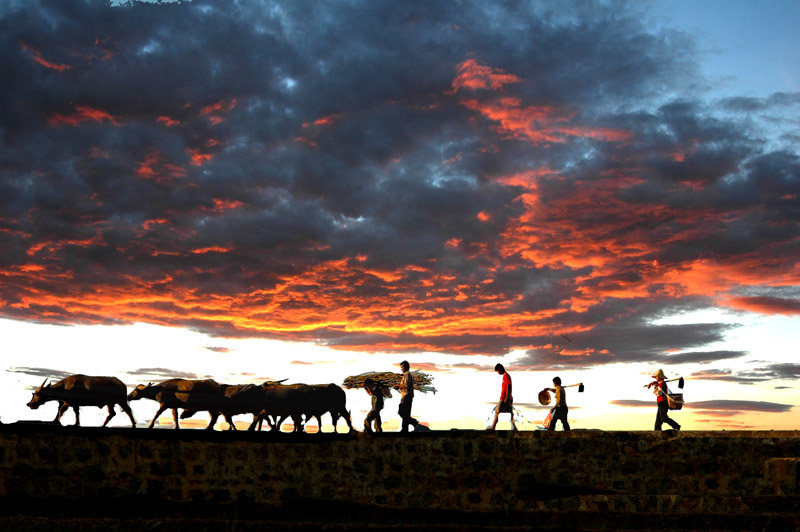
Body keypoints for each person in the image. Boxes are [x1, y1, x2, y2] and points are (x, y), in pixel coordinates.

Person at [488, 364, 518, 432]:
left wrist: (506, 398)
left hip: (504, 397)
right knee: (510, 412)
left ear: (500, 369)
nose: (498, 373)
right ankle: (515, 428)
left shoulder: (506, 375)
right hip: (507, 397)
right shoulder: (506, 375)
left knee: (498, 411)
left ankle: (492, 428)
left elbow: (508, 386)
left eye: (497, 371)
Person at [396, 360, 420, 432]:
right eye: (401, 367)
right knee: (405, 413)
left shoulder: (407, 374)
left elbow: (405, 385)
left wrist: (398, 386)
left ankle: (414, 422)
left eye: (402, 367)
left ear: (406, 367)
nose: (401, 369)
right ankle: (404, 430)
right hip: (405, 395)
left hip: (407, 396)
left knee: (401, 412)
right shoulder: (406, 375)